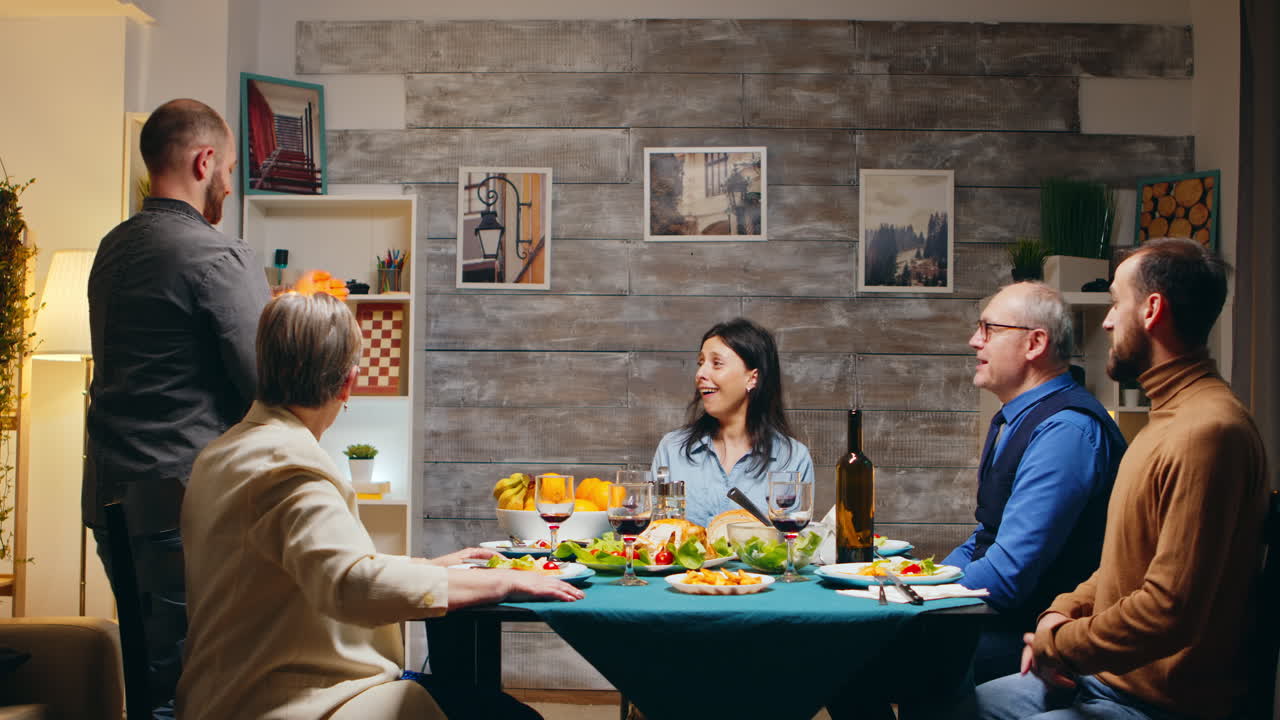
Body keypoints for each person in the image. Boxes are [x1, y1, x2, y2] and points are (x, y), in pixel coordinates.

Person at [178, 292, 583, 720]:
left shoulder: (224, 452)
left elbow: (314, 566)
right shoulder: (289, 464)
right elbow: (351, 586)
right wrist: (503, 583)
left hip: (225, 691)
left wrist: (433, 568)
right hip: (281, 701)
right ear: (349, 382)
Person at [977, 238, 1268, 720]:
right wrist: (1061, 610)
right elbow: (1123, 569)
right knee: (955, 705)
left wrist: (1061, 644)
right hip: (1104, 680)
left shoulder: (1209, 432)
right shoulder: (1165, 421)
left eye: (1116, 303)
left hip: (1158, 703)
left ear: (1152, 310)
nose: (1108, 321)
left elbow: (1166, 611)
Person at [86, 98, 270, 718]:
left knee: (150, 680)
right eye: (229, 171)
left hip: (110, 498)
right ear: (204, 160)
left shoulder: (111, 251)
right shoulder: (219, 255)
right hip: (185, 504)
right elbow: (265, 386)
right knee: (203, 684)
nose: (228, 185)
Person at [946, 282, 1126, 683]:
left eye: (989, 329)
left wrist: (920, 599)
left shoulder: (1065, 431)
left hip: (1037, 637)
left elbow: (1008, 578)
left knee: (877, 655)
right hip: (1005, 619)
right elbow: (985, 538)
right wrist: (922, 580)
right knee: (862, 652)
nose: (975, 340)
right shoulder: (1014, 418)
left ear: (1035, 343)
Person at [651, 317, 814, 527]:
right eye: (701, 363)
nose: (700, 373)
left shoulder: (792, 458)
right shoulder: (672, 449)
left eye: (716, 363)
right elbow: (655, 536)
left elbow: (793, 545)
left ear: (752, 378)